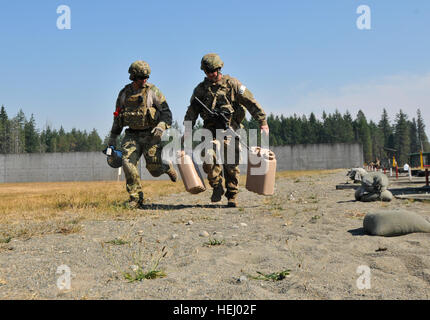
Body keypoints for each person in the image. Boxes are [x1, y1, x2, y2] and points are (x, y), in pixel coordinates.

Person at [183, 53, 269, 207]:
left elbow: (250, 102)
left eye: (213, 71)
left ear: (219, 68)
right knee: (207, 156)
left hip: (231, 128)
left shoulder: (233, 84)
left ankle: (232, 194)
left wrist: (262, 121)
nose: (210, 74)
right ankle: (216, 186)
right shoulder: (200, 90)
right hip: (210, 130)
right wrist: (187, 130)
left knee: (231, 163)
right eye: (207, 72)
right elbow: (192, 112)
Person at [107, 60, 177, 208]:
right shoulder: (124, 94)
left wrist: (161, 125)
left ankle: (166, 167)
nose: (144, 80)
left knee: (154, 170)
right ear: (133, 77)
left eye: (146, 77)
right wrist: (113, 138)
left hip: (151, 135)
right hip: (131, 135)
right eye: (141, 77)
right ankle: (136, 198)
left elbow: (166, 113)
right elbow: (118, 117)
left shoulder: (153, 91)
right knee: (128, 162)